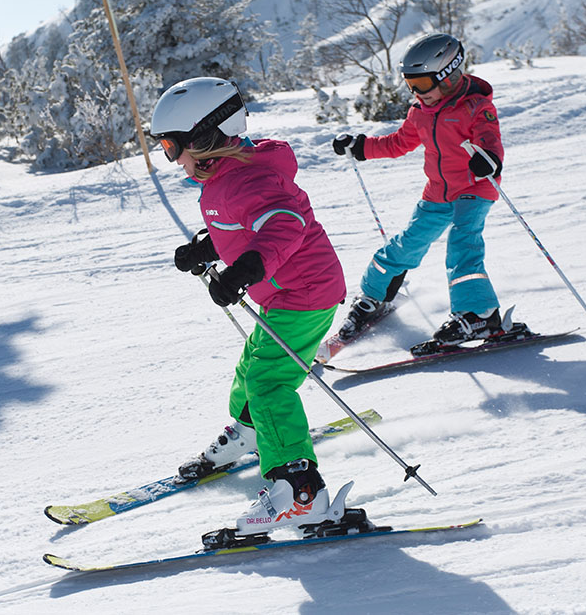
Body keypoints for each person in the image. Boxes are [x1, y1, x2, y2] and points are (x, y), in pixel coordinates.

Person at [150, 76, 349, 535]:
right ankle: (254, 432)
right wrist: (210, 249)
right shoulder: (224, 177)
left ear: (202, 137)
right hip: (283, 292)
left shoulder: (249, 178)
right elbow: (245, 228)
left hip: (304, 292)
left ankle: (301, 491)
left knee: (269, 383)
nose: (170, 158)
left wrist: (247, 269)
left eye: (169, 146)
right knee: (250, 372)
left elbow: (284, 223)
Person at [331, 33, 505, 351]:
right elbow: (398, 143)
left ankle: (479, 313)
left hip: (474, 187)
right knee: (405, 246)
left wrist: (489, 159)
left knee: (462, 244)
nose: (416, 92)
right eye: (410, 84)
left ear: (449, 76)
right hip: (437, 192)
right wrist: (362, 147)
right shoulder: (420, 111)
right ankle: (373, 297)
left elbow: (489, 138)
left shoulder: (475, 107)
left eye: (422, 84)